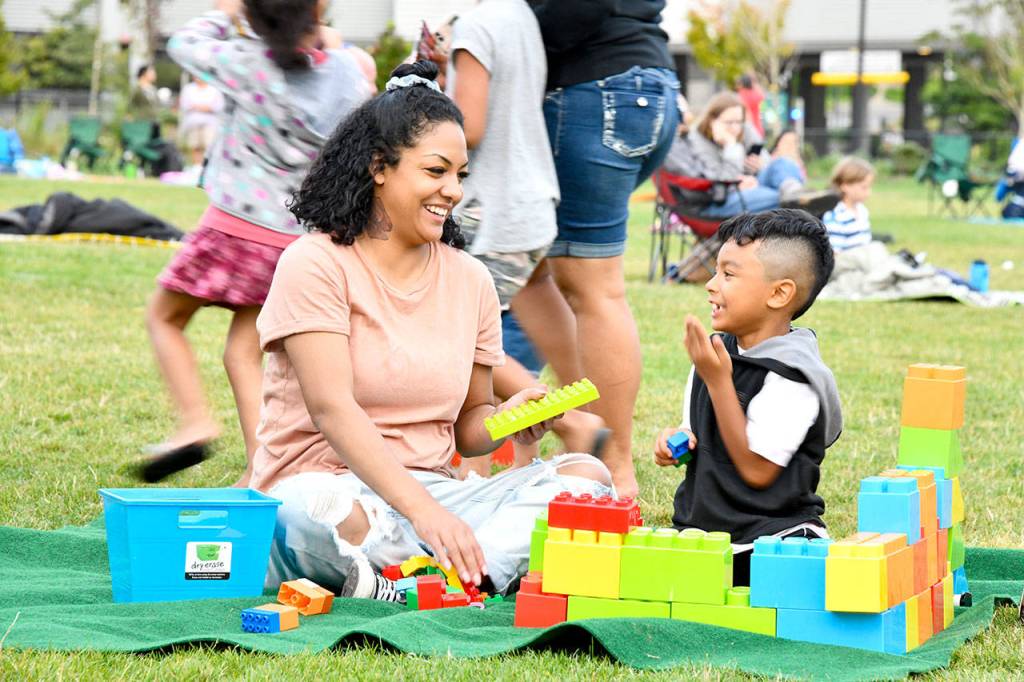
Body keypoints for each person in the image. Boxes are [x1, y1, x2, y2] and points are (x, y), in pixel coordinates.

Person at [251, 61, 613, 599]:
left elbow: (470, 425)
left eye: (461, 175)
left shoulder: (469, 280)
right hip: (336, 489)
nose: (454, 191)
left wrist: (508, 421)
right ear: (379, 167)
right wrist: (427, 516)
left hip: (435, 492)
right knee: (306, 509)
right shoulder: (315, 263)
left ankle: (444, 577)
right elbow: (333, 410)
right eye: (436, 171)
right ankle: (455, 569)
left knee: (587, 480)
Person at [139, 0, 370, 485]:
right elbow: (354, 72)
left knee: (164, 317)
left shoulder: (247, 63)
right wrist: (326, 35)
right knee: (243, 353)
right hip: (292, 244)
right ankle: (259, 470)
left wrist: (227, 11)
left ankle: (196, 422)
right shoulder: (347, 72)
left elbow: (183, 44)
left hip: (234, 228)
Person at [443, 0, 607, 476]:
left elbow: (467, 129)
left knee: (463, 335)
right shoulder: (520, 17)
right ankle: (585, 409)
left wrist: (427, 94)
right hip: (532, 199)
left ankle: (571, 423)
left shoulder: (474, 26)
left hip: (491, 208)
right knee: (539, 295)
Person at [530, 0, 681, 497]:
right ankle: (588, 437)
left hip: (597, 90)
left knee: (593, 290)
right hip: (636, 85)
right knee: (543, 278)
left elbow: (581, 9)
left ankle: (611, 462)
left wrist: (514, 26)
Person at [652, 209, 843, 586]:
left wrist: (719, 382)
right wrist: (677, 445)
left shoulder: (792, 376)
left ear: (779, 293)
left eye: (729, 274)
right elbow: (702, 436)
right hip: (704, 534)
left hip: (771, 539)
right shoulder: (718, 354)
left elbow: (757, 471)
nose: (710, 284)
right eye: (715, 271)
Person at [679, 92, 836, 219]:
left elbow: (770, 164)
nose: (735, 128)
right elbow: (717, 182)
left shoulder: (745, 130)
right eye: (729, 122)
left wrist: (762, 166)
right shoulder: (697, 141)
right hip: (722, 200)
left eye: (739, 121)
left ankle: (796, 192)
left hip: (753, 187)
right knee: (782, 199)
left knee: (781, 163)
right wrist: (731, 147)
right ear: (712, 121)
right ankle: (801, 202)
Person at [822, 157, 876, 251]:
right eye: (864, 187)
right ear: (845, 185)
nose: (869, 192)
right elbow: (834, 253)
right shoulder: (836, 216)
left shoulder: (862, 210)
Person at [178, 75, 226, 169]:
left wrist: (199, 107)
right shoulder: (188, 89)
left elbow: (218, 106)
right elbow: (185, 104)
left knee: (208, 145)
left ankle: (206, 167)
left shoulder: (214, 89)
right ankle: (196, 166)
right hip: (193, 123)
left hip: (210, 123)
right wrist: (203, 107)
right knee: (195, 145)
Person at [736, 73, 765, 138]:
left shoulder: (741, 94)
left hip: (746, 127)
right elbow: (762, 96)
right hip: (757, 127)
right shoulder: (756, 94)